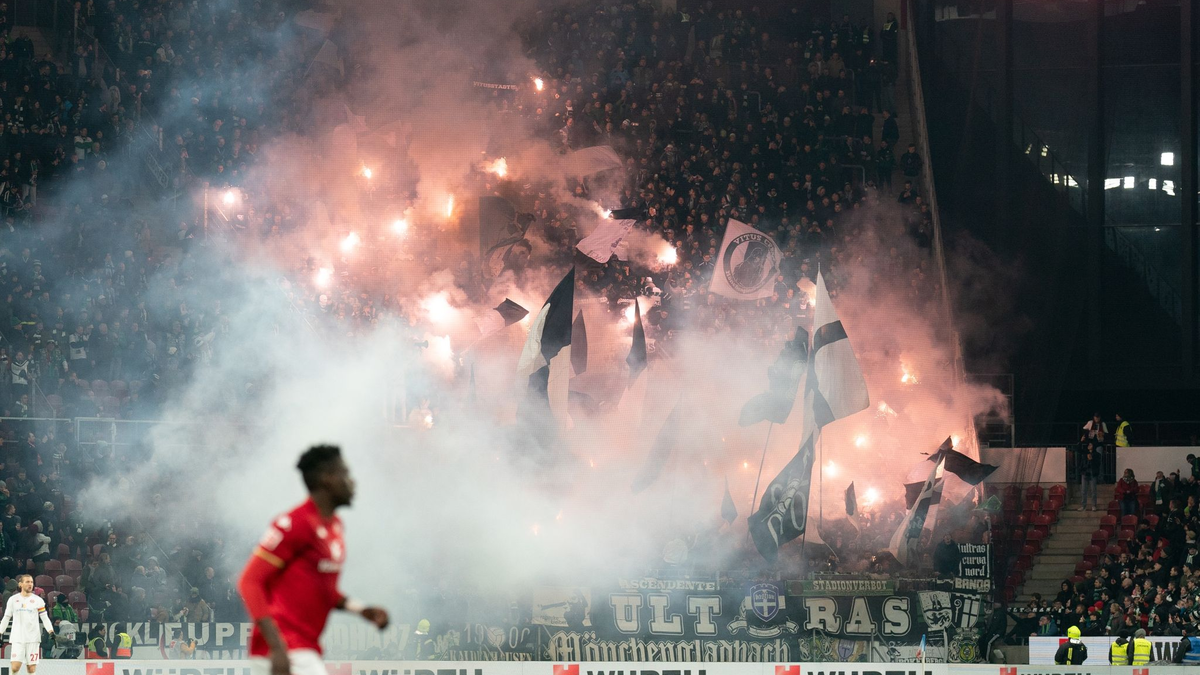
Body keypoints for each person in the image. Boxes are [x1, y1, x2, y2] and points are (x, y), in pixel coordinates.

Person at [238, 445, 389, 675]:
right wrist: (277, 648)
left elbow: (324, 590)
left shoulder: (335, 527)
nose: (352, 482)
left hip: (302, 648)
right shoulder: (294, 523)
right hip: (286, 649)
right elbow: (249, 582)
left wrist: (361, 610)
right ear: (327, 479)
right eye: (345, 474)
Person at [0, 574, 55, 674]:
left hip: (33, 638)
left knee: (31, 669)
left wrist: (51, 631)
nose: (30, 584)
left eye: (32, 582)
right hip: (17, 638)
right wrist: (0, 632)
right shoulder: (12, 600)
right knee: (15, 667)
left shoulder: (38, 600)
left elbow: (44, 618)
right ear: (20, 584)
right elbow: (6, 617)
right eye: (27, 582)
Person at [1078, 442, 1102, 510]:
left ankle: (1093, 505)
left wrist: (1092, 460)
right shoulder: (1085, 453)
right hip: (1085, 473)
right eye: (1088, 444)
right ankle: (1083, 505)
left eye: (1090, 445)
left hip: (1092, 473)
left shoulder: (1097, 454)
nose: (1089, 446)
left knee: (1093, 490)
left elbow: (1098, 464)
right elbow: (1078, 449)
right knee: (1083, 490)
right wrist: (1081, 441)